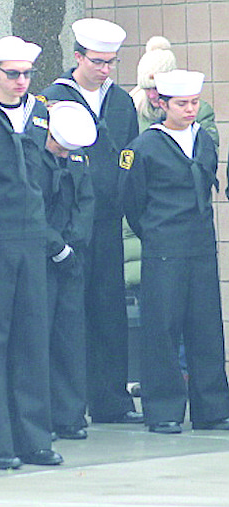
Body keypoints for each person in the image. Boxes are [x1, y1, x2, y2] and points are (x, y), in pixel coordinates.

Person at [0, 35, 62, 469]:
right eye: (12, 74)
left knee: (32, 338)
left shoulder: (39, 113)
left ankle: (33, 438)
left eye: (27, 74)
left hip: (29, 237)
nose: (21, 82)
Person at [41, 18, 143, 425]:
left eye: (111, 63)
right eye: (98, 62)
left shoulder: (119, 102)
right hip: (68, 223)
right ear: (78, 57)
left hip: (108, 219)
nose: (105, 70)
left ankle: (111, 399)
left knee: (109, 308)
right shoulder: (53, 99)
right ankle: (70, 404)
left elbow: (129, 156)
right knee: (69, 312)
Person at [119, 69, 229, 434]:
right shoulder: (145, 145)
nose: (189, 110)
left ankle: (212, 408)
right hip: (163, 247)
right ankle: (163, 409)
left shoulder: (204, 141)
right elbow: (131, 201)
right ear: (160, 103)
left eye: (194, 103)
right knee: (162, 330)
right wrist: (153, 233)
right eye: (181, 104)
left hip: (199, 246)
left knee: (206, 327)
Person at [37, 101, 96, 439]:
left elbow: (86, 201)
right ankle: (41, 417)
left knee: (70, 338)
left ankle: (70, 414)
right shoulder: (34, 158)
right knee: (38, 337)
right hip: (42, 257)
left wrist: (74, 243)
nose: (64, 153)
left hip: (73, 258)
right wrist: (55, 246)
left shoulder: (76, 156)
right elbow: (32, 207)